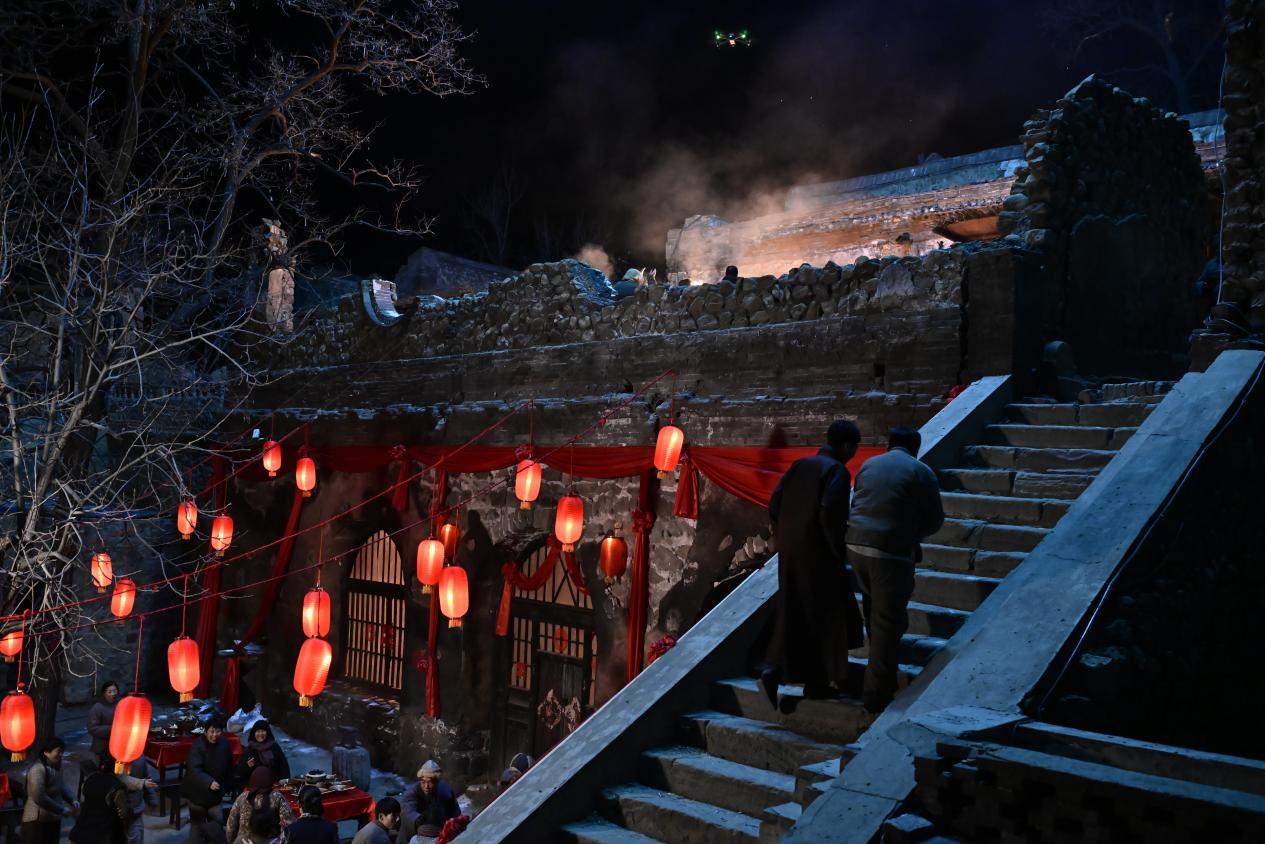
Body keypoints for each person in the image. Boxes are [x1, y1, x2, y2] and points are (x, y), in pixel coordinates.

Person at [761, 420, 864, 706]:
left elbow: (775, 502)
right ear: (846, 445)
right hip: (819, 552)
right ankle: (813, 679)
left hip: (790, 550)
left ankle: (798, 677)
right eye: (854, 448)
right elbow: (830, 514)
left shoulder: (800, 465)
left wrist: (786, 533)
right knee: (826, 617)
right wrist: (837, 550)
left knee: (797, 611)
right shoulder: (836, 471)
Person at [846, 426, 945, 713]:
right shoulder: (920, 471)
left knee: (873, 611)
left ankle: (880, 669)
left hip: (855, 546)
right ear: (916, 447)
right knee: (888, 623)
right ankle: (876, 693)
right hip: (889, 552)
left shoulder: (870, 464)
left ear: (890, 444)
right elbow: (935, 520)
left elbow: (857, 502)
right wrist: (911, 534)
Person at [182, 716, 234, 844]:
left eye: (218, 731)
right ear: (205, 732)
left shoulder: (224, 744)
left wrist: (228, 785)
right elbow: (194, 770)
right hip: (197, 795)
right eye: (212, 731)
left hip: (215, 795)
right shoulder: (197, 746)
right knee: (197, 829)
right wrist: (209, 782)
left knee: (217, 826)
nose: (214, 735)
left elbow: (229, 766)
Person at [21, 737, 79, 844]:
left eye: (62, 751)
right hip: (37, 821)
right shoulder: (37, 769)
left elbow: (61, 785)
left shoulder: (57, 765)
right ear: (46, 752)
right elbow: (39, 796)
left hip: (53, 818)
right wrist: (61, 810)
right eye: (58, 751)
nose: (61, 754)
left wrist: (72, 799)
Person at [225, 767, 294, 844]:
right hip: (269, 841)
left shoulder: (243, 797)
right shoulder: (277, 797)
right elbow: (290, 825)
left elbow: (231, 826)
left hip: (243, 841)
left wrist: (232, 841)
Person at [399, 761, 460, 844]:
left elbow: (455, 813)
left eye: (430, 782)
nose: (426, 786)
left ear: (437, 781)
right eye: (423, 782)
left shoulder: (445, 790)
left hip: (438, 834)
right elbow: (406, 811)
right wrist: (419, 819)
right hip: (412, 836)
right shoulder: (411, 793)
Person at [69, 764, 129, 844]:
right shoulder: (116, 785)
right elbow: (123, 813)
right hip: (102, 835)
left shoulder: (90, 779)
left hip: (82, 830)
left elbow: (84, 799)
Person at [87, 681, 120, 767]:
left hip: (118, 745)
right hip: (102, 746)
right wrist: (113, 729)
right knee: (103, 770)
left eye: (115, 691)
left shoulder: (120, 705)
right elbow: (92, 728)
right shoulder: (97, 707)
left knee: (118, 770)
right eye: (109, 692)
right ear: (104, 693)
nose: (113, 694)